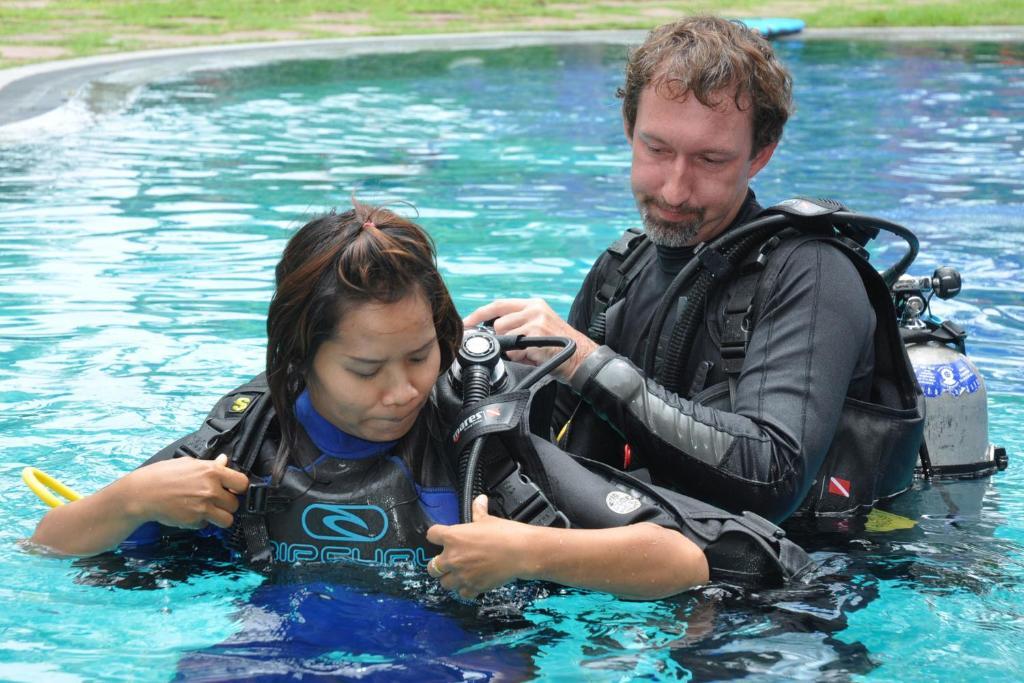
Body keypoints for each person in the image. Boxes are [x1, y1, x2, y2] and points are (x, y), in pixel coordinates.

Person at [30, 202, 810, 600]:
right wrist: (135, 495)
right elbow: (48, 543)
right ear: (300, 357)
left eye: (420, 353)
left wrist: (530, 550)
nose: (402, 389)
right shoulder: (255, 430)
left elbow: (679, 560)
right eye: (367, 368)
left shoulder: (470, 434)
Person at [466, 16, 923, 525]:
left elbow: (773, 475)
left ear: (760, 156)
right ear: (628, 128)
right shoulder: (617, 273)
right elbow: (547, 453)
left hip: (797, 583)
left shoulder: (813, 275)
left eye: (710, 160)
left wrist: (585, 363)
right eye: (657, 149)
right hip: (638, 563)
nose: (674, 190)